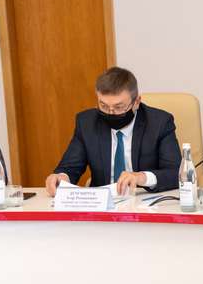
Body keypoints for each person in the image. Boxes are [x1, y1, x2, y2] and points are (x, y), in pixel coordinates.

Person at [45, 67, 180, 195]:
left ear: (136, 102)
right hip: (102, 203)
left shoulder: (159, 123)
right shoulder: (86, 123)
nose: (111, 113)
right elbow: (70, 167)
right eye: (103, 106)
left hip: (144, 201)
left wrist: (142, 177)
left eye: (119, 107)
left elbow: (175, 173)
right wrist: (61, 177)